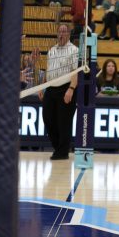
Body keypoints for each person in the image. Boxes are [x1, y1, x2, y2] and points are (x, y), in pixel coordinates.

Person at [40, 24, 78, 160]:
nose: (61, 34)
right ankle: (58, 148)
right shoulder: (52, 50)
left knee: (64, 123)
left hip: (65, 88)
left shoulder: (74, 50)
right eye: (59, 32)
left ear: (69, 34)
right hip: (50, 88)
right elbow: (48, 69)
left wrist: (71, 89)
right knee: (47, 118)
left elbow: (76, 72)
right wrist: (41, 87)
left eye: (64, 32)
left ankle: (62, 152)